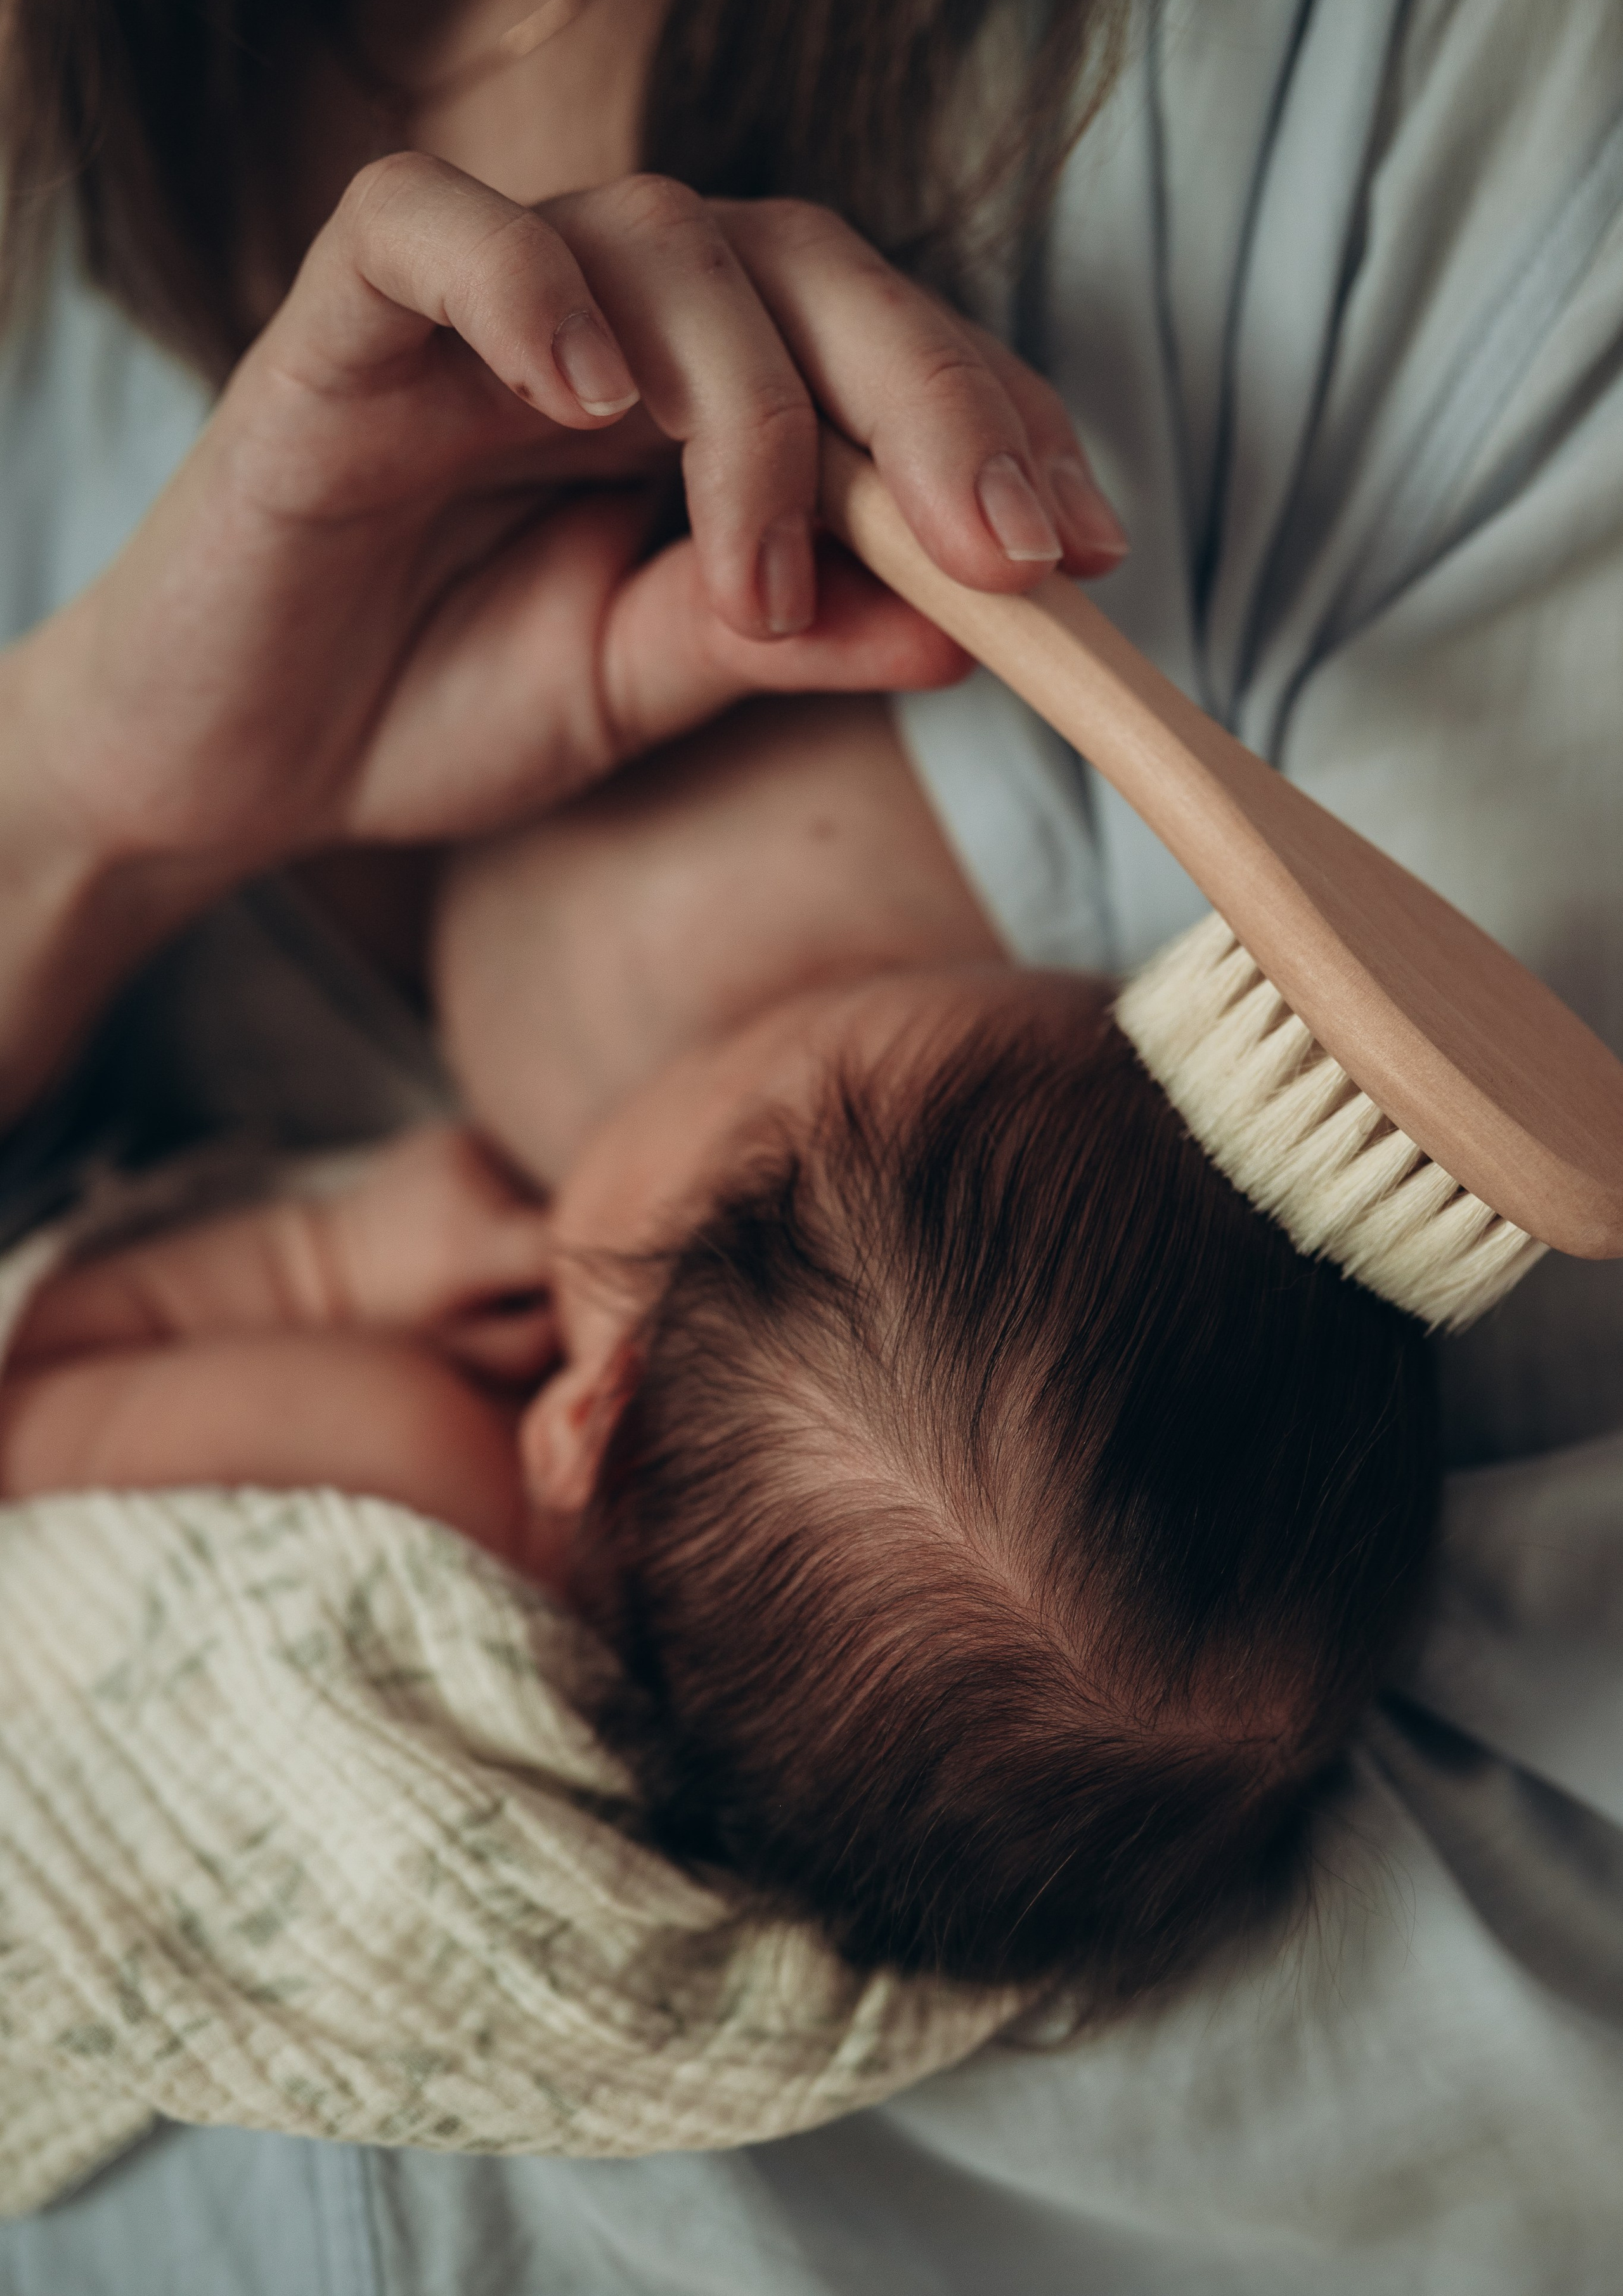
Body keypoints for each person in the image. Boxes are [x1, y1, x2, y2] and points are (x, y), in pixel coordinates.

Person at [2, 0, 1623, 2288]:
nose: (1100, 1039)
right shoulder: (64, 113)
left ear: (597, 1386)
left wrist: (322, 1248)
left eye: (815, 1078)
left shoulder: (1408, 11)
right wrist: (82, 805)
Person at [0, 726, 1438, 1996]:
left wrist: (322, 1269)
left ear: (595, 1408)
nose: (736, 1018)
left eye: (758, 1048)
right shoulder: (787, 1679)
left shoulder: (411, 1463)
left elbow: (39, 1415)